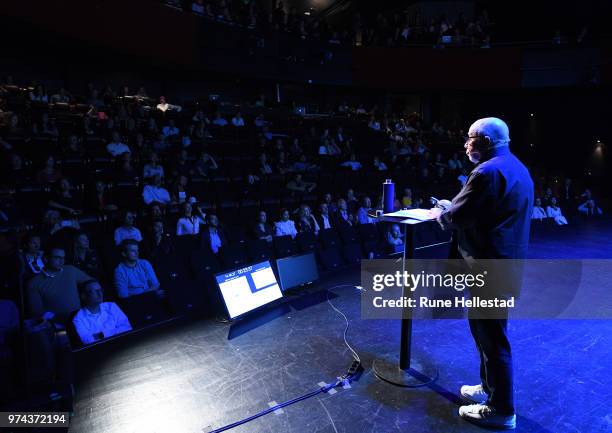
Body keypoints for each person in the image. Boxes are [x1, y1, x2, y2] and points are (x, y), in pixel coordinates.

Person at [431, 117, 533, 429]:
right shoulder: (517, 167)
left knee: (492, 339)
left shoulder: (486, 171)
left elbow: (456, 219)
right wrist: (456, 207)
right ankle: (490, 388)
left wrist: (442, 212)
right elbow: (488, 211)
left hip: (488, 269)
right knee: (485, 334)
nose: (465, 144)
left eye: (470, 138)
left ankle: (501, 410)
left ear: (486, 142)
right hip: (505, 265)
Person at [27, 247, 92, 323]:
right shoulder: (35, 283)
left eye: (63, 258)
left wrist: (87, 299)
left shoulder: (71, 270)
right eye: (57, 258)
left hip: (81, 319)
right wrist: (60, 319)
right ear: (46, 259)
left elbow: (92, 282)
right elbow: (37, 311)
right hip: (56, 324)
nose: (62, 261)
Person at [73, 280, 132, 345]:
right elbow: (87, 341)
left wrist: (101, 335)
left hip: (123, 343)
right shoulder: (78, 319)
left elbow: (127, 327)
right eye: (96, 291)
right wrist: (115, 330)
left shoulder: (111, 306)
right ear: (83, 296)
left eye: (101, 290)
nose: (100, 294)